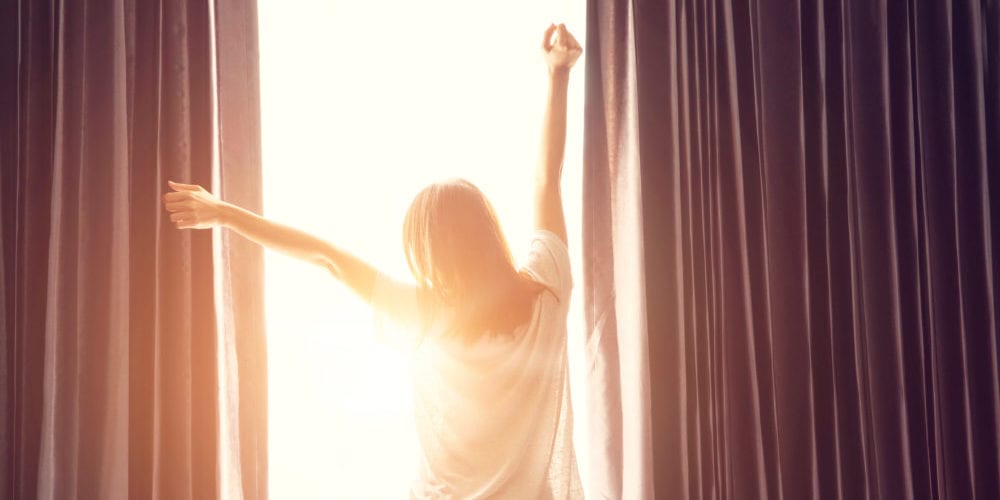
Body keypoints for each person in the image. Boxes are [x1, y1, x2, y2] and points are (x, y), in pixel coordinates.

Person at [163, 23, 583, 499]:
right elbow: (546, 181)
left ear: (429, 257)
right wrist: (558, 74)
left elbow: (327, 258)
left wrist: (225, 214)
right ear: (488, 234)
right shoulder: (547, 288)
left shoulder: (423, 314)